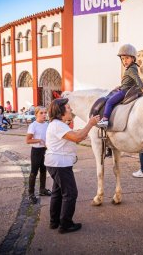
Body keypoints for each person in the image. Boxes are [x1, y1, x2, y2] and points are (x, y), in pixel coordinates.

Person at [45, 98, 100, 234]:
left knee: (57, 193)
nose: (71, 110)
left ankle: (55, 222)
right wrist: (90, 124)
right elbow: (77, 138)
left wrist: (84, 130)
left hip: (56, 163)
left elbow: (75, 135)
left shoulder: (58, 124)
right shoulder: (58, 125)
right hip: (60, 165)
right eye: (68, 108)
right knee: (70, 194)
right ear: (61, 111)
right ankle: (66, 224)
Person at [97, 44, 143, 128]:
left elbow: (137, 78)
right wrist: (120, 86)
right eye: (123, 59)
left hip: (124, 91)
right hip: (124, 88)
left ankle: (105, 120)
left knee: (109, 101)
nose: (125, 61)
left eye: (127, 58)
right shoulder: (132, 68)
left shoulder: (131, 69)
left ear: (133, 58)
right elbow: (130, 81)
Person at [26, 106, 52, 204]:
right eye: (41, 113)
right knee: (34, 172)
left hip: (45, 150)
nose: (44, 115)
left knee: (44, 170)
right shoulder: (33, 125)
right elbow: (28, 140)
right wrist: (39, 140)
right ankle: (31, 194)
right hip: (36, 151)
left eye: (45, 113)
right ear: (36, 114)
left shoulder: (47, 124)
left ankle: (42, 190)